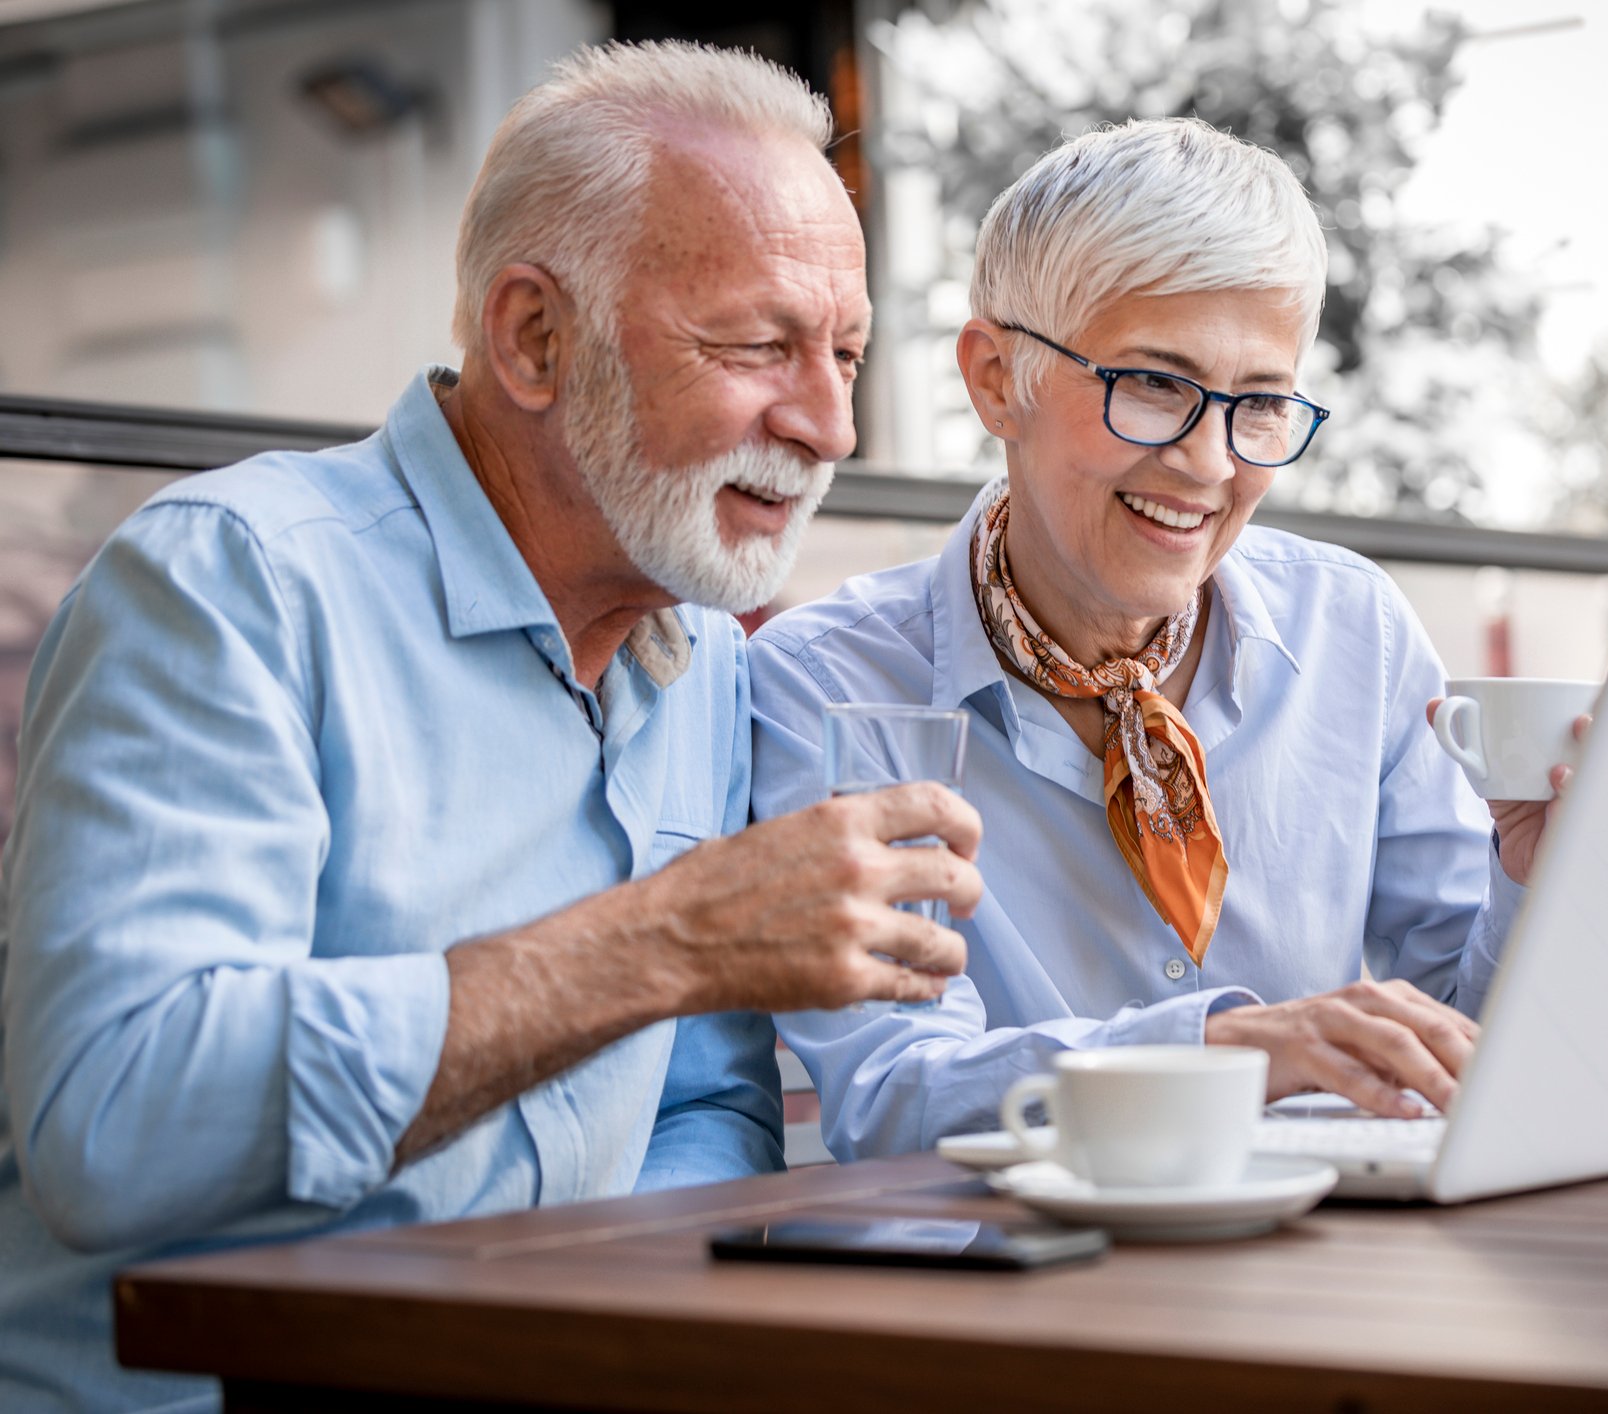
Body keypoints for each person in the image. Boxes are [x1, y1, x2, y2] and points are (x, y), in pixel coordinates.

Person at [0, 41, 979, 1410]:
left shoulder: (696, 652)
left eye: (848, 353)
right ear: (534, 337)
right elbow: (115, 1127)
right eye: (757, 344)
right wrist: (672, 936)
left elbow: (703, 1110)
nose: (830, 424)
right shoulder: (237, 582)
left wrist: (590, 1323)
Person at [753, 118, 1566, 1161]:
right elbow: (896, 1090)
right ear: (998, 378)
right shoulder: (826, 686)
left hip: (1319, 1272)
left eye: (1260, 403)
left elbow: (1463, 1037)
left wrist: (1535, 882)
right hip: (1000, 1288)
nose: (1208, 462)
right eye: (1152, 384)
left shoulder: (1353, 631)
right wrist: (1231, 1047)